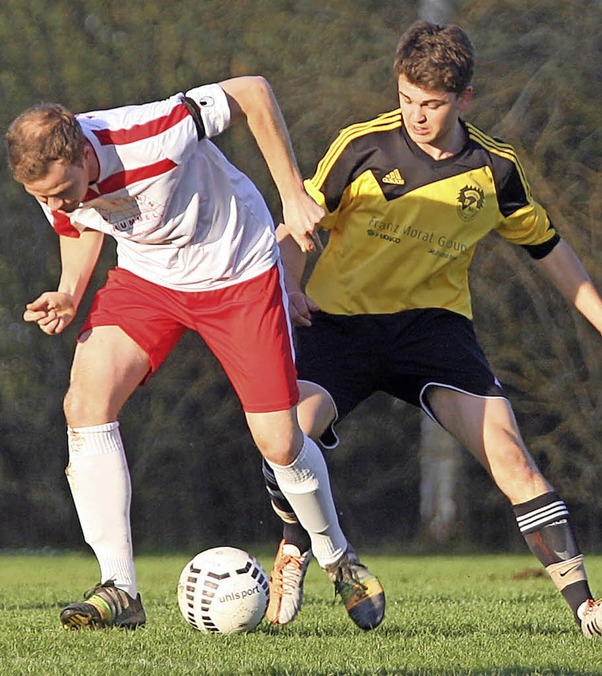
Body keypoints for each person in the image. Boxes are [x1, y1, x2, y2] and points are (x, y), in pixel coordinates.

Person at [261, 21, 602, 638]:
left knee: (512, 459)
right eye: (407, 98)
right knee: (286, 435)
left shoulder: (495, 168)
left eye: (431, 104)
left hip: (433, 332)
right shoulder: (362, 146)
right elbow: (299, 227)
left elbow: (548, 248)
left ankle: (588, 613)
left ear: (463, 99)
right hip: (339, 325)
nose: (416, 114)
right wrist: (293, 288)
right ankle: (294, 548)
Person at [5, 75, 384, 630]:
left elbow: (252, 92)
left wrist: (293, 195)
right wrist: (68, 290)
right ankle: (120, 589)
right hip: (148, 280)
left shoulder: (151, 132)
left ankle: (337, 557)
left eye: (61, 189)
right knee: (85, 403)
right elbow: (79, 221)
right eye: (43, 198)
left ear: (85, 152)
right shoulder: (55, 179)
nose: (56, 203)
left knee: (279, 441)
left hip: (238, 270)